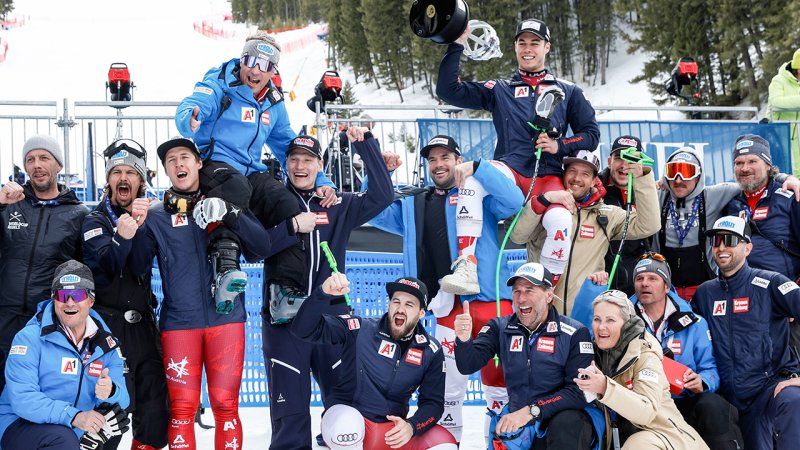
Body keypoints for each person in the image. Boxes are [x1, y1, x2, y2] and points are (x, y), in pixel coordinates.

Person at [369, 134, 523, 442]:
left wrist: (479, 168)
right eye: (432, 159)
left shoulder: (479, 193)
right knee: (449, 391)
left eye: (446, 157)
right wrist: (378, 172)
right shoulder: (414, 202)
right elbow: (372, 210)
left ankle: (503, 444)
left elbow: (515, 201)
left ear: (458, 160)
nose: (439, 165)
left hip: (492, 304)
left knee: (500, 386)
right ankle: (449, 444)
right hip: (445, 309)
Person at [435, 18, 600, 295]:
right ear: (514, 47)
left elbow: (591, 134)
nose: (528, 49)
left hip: (548, 178)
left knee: (560, 222)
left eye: (535, 43)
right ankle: (467, 266)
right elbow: (448, 91)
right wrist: (457, 45)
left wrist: (560, 146)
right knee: (473, 181)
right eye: (522, 42)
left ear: (547, 47)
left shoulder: (568, 90)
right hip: (510, 175)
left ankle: (549, 290)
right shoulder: (500, 89)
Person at [175, 31, 335, 315]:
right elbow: (196, 103)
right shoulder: (221, 82)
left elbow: (288, 143)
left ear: (273, 71)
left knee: (286, 203)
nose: (255, 70)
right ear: (242, 59)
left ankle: (283, 289)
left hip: (251, 170)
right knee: (236, 187)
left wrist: (320, 179)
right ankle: (225, 270)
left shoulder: (273, 101)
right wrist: (191, 117)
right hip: (216, 163)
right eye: (250, 60)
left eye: (265, 65)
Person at [129, 136, 271, 450]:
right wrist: (137, 228)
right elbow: (138, 264)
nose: (179, 164)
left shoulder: (222, 202)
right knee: (182, 408)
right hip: (180, 324)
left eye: (185, 157)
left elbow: (261, 248)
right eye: (171, 161)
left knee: (225, 404)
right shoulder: (156, 217)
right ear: (165, 171)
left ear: (198, 163)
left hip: (226, 320)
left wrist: (230, 212)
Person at [260, 129, 395, 449]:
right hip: (285, 323)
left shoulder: (336, 204)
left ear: (319, 164)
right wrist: (290, 226)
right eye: (293, 159)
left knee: (345, 413)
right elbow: (255, 249)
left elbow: (382, 196)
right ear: (286, 163)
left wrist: (366, 145)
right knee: (289, 416)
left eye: (308, 160)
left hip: (333, 322)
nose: (300, 166)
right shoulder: (274, 202)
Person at [291, 272, 457, 450]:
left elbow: (433, 403)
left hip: (391, 433)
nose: (400, 309)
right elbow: (303, 329)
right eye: (396, 301)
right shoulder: (360, 328)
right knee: (347, 425)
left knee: (445, 444)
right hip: (351, 424)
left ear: (421, 313)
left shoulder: (431, 350)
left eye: (409, 305)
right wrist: (322, 293)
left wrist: (412, 426)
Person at [80, 139, 169, 450]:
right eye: (116, 172)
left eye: (130, 173)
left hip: (143, 326)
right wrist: (122, 235)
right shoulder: (94, 219)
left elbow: (141, 264)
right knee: (110, 416)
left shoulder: (149, 216)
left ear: (141, 180)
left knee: (155, 413)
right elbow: (105, 268)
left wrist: (140, 227)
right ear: (108, 180)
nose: (123, 178)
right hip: (108, 328)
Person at [454, 262, 598, 449]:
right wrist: (463, 340)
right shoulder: (500, 327)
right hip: (518, 421)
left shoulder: (575, 333)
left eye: (529, 290)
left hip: (561, 421)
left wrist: (532, 411)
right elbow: (467, 365)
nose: (521, 298)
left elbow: (580, 392)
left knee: (567, 424)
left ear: (548, 295)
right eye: (516, 291)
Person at [693, 216, 800, 450]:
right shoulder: (704, 294)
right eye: (716, 241)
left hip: (768, 390)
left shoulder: (770, 282)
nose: (721, 247)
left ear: (748, 247)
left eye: (730, 240)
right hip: (727, 400)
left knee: (794, 399)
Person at [0, 260, 130, 450]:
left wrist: (111, 392)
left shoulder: (106, 344)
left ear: (90, 300)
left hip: (72, 426)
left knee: (113, 425)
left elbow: (123, 399)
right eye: (62, 295)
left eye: (77, 295)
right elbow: (23, 400)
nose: (70, 302)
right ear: (54, 299)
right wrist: (74, 417)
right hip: (19, 425)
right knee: (62, 439)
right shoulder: (29, 338)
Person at [510, 150, 660, 314]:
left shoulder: (606, 214)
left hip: (584, 316)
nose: (577, 179)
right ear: (563, 174)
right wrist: (543, 201)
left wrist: (641, 177)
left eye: (585, 174)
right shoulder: (546, 205)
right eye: (572, 171)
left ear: (594, 180)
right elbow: (517, 236)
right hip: (541, 313)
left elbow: (649, 225)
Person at [652, 144, 799, 301]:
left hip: (703, 286)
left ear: (699, 175)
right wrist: (654, 184)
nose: (679, 179)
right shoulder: (656, 196)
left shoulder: (715, 194)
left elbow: (753, 180)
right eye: (672, 172)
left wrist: (787, 178)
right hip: (666, 288)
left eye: (687, 172)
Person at [0, 134, 89, 393]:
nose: (37, 164)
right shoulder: (9, 206)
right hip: (5, 314)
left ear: (58, 166)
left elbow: (86, 268)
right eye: (30, 159)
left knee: (39, 391)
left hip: (46, 319)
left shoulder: (78, 213)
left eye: (44, 158)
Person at [629, 254, 743, 449]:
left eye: (652, 278)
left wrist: (703, 381)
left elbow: (711, 368)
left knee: (713, 405)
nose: (645, 284)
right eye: (639, 279)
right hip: (644, 404)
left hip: (683, 400)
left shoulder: (695, 322)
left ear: (666, 286)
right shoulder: (623, 320)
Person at [575, 290, 708, 450]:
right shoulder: (594, 354)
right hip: (620, 439)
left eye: (610, 320)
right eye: (597, 319)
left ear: (626, 324)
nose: (601, 327)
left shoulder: (645, 355)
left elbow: (647, 412)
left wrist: (605, 387)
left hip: (666, 438)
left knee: (639, 444)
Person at [599, 135, 654, 295]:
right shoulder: (594, 192)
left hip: (639, 293)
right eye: (619, 157)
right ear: (609, 161)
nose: (625, 165)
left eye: (631, 158)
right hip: (603, 291)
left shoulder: (648, 194)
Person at [767, 48, 800, 170]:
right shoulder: (779, 80)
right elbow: (775, 102)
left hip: (798, 131)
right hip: (782, 131)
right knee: (787, 167)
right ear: (798, 69)